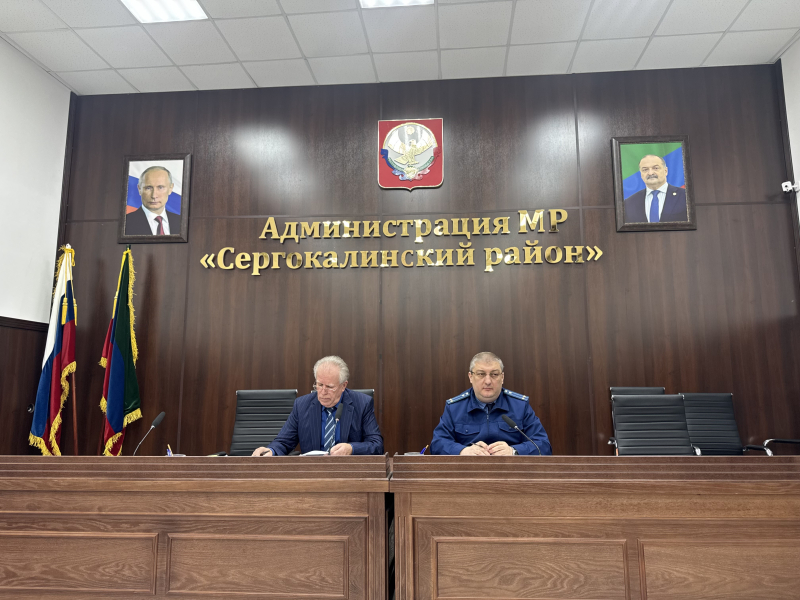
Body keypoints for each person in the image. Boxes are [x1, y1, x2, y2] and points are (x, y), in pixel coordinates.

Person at [251, 356, 383, 456]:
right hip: (312, 473)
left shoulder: (362, 404)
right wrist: (271, 450)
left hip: (349, 472)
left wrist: (351, 448)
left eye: (329, 387)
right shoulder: (302, 405)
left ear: (343, 386)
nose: (323, 392)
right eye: (319, 385)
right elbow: (284, 441)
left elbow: (376, 445)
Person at [431, 352, 551, 456]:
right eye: (481, 374)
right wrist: (462, 451)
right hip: (469, 471)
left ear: (502, 377)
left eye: (494, 374)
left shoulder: (520, 406)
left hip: (510, 470)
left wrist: (514, 451)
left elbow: (543, 445)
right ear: (470, 377)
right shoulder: (455, 407)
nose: (488, 381)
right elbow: (437, 444)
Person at [623, 154, 688, 223]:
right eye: (645, 169)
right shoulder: (629, 203)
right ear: (641, 174)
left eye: (656, 168)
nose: (650, 173)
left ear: (665, 171)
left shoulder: (685, 196)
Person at [125, 166, 181, 235]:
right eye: (148, 188)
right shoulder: (125, 223)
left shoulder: (181, 222)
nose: (154, 196)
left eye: (160, 187)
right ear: (139, 189)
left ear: (170, 189)